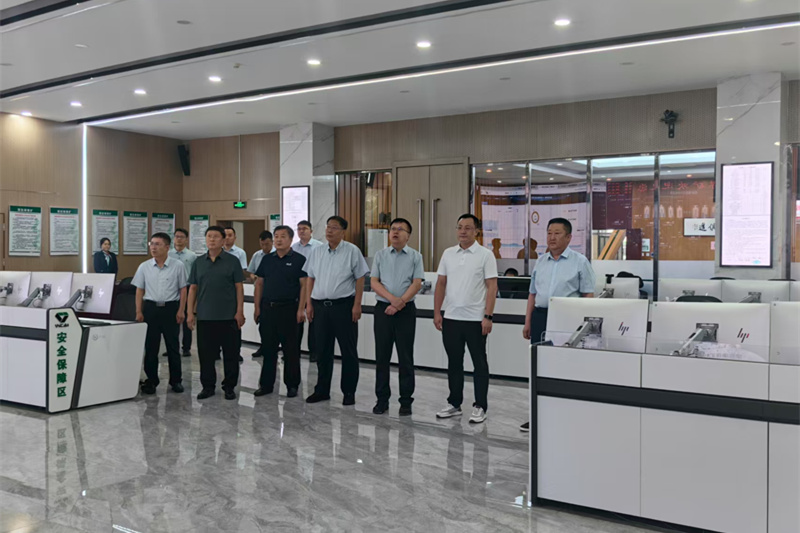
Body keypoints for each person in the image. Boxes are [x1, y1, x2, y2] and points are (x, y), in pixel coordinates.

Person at [520, 217, 595, 432]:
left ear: (569, 237)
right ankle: (537, 416)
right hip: (540, 317)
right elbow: (532, 294)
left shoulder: (580, 262)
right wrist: (528, 321)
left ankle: (566, 414)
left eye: (557, 233)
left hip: (567, 319)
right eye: (549, 233)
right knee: (539, 367)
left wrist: (583, 328)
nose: (552, 237)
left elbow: (588, 295)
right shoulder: (541, 261)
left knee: (565, 367)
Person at [434, 214, 497, 425]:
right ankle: (454, 403)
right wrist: (437, 312)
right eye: (460, 227)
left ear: (476, 231)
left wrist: (488, 316)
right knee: (454, 363)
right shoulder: (448, 253)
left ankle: (481, 406)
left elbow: (492, 287)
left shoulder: (485, 255)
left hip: (476, 319)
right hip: (451, 317)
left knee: (479, 363)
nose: (463, 231)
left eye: (468, 228)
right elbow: (441, 284)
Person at [303, 216, 369, 405]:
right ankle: (322, 390)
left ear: (343, 232)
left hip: (344, 307)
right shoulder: (317, 252)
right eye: (328, 227)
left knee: (348, 351)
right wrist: (308, 303)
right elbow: (310, 278)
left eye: (334, 227)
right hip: (320, 307)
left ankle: (349, 392)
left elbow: (360, 278)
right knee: (322, 351)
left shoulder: (352, 251)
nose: (329, 230)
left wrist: (357, 305)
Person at [370, 218, 424, 416]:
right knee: (382, 356)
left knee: (405, 357)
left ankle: (406, 401)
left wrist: (400, 303)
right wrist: (393, 300)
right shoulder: (380, 255)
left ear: (408, 236)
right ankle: (382, 400)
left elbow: (417, 283)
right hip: (383, 310)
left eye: (400, 229)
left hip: (406, 311)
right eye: (393, 228)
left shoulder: (416, 256)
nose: (395, 232)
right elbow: (374, 282)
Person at [187, 226, 246, 400]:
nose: (212, 239)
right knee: (206, 355)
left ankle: (229, 387)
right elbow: (193, 288)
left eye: (215, 236)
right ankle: (208, 386)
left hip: (229, 317)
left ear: (223, 240)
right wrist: (190, 313)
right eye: (209, 236)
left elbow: (239, 287)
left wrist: (240, 311)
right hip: (205, 317)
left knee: (231, 355)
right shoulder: (198, 262)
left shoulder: (232, 261)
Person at [253, 226, 308, 398]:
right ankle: (266, 385)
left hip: (289, 310)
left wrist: (301, 309)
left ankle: (292, 385)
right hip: (268, 309)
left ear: (291, 239)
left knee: (291, 350)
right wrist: (257, 307)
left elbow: (304, 286)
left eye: (283, 236)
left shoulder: (299, 259)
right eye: (276, 236)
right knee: (268, 349)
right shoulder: (267, 259)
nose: (278, 239)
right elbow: (259, 284)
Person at [132, 233, 187, 395]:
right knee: (151, 348)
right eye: (152, 244)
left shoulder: (178, 266)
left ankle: (176, 381)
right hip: (150, 309)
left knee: (173, 347)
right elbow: (139, 290)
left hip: (171, 309)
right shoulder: (144, 266)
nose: (153, 247)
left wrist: (181, 310)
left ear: (167, 247)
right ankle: (151, 380)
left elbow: (183, 289)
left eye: (157, 244)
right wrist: (138, 311)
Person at [292, 220, 323, 363]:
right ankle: (294, 351)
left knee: (313, 321)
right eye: (299, 229)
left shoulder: (319, 247)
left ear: (311, 231)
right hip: (297, 288)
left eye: (304, 228)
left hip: (314, 287)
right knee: (296, 322)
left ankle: (314, 352)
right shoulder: (293, 247)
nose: (301, 231)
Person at [168, 228, 196, 357]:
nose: (178, 239)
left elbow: (194, 274)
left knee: (186, 317)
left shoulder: (192, 256)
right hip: (172, 288)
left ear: (186, 239)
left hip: (188, 288)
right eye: (176, 236)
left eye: (181, 237)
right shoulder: (168, 254)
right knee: (171, 319)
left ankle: (186, 347)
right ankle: (172, 347)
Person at [247, 230, 274, 358]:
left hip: (273, 293)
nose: (264, 247)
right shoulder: (257, 255)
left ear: (272, 242)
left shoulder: (277, 254)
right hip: (260, 293)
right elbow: (251, 271)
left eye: (267, 244)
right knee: (262, 323)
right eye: (262, 244)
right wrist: (254, 277)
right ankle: (264, 346)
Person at [223, 226, 247, 362]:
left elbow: (242, 272)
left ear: (235, 237)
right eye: (225, 235)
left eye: (230, 235)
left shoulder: (240, 253)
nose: (227, 238)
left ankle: (236, 352)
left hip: (233, 292)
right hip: (220, 293)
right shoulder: (216, 252)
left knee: (234, 325)